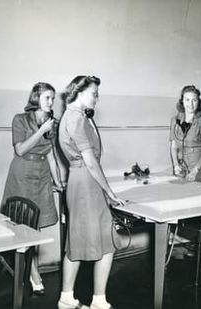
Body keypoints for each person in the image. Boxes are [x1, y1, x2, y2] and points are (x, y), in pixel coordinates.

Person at [58, 75, 126, 309]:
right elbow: (89, 160)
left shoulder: (74, 115)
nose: (97, 98)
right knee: (106, 241)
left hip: (82, 182)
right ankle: (96, 300)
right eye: (94, 93)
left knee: (80, 242)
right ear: (80, 92)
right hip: (85, 183)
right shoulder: (75, 119)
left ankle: (72, 298)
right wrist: (109, 191)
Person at [2, 82, 63, 295]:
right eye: (48, 97)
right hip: (22, 172)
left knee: (36, 226)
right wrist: (41, 131)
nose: (51, 102)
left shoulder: (51, 123)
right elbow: (20, 149)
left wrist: (59, 181)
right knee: (23, 225)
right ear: (36, 98)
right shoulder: (19, 119)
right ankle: (30, 272)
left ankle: (32, 269)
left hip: (42, 173)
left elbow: (51, 156)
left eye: (53, 98)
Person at [170, 85, 201, 182]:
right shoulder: (175, 120)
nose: (191, 104)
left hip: (199, 166)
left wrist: (195, 171)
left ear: (198, 102)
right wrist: (176, 165)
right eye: (187, 100)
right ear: (182, 101)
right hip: (181, 166)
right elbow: (173, 146)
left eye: (194, 100)